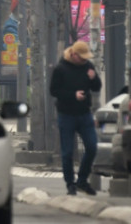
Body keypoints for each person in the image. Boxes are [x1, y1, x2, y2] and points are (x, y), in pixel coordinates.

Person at [49, 40, 102, 196]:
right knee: (67, 153)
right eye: (82, 57)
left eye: (86, 58)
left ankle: (82, 180)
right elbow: (54, 91)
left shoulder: (88, 67)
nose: (85, 60)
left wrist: (93, 78)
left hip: (84, 114)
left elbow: (97, 87)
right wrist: (73, 95)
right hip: (66, 114)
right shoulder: (61, 68)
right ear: (73, 54)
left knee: (92, 147)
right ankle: (70, 183)